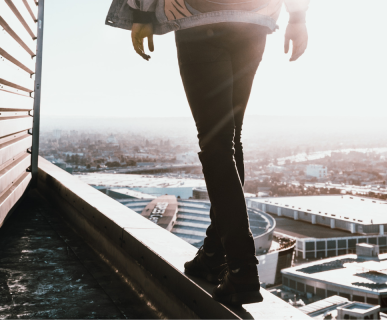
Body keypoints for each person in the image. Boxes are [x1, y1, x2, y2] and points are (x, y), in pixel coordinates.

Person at [106, 0, 309, 306]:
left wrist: (141, 12)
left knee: (216, 141)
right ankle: (215, 255)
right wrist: (297, 16)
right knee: (229, 138)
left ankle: (241, 269)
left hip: (199, 18)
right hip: (254, 20)